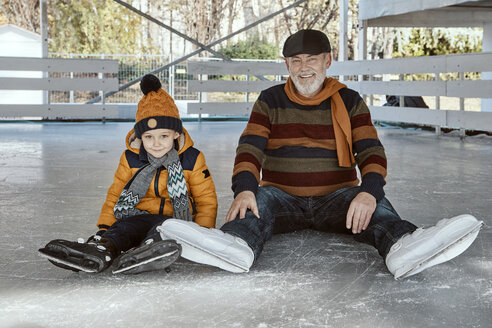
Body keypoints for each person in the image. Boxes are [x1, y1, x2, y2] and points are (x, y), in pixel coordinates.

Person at [159, 29, 483, 279]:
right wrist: (244, 188)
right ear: (287, 64)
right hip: (282, 195)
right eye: (296, 61)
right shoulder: (269, 100)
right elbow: (250, 147)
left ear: (327, 60)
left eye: (311, 59)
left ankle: (403, 245)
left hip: (338, 196)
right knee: (255, 203)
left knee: (377, 207)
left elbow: (371, 150)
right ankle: (236, 246)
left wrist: (369, 193)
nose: (303, 69)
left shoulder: (350, 99)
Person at [39, 74, 218, 274]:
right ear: (140, 137)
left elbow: (206, 200)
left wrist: (201, 234)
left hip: (174, 221)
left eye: (164, 136)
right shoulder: (131, 159)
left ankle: (148, 250)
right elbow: (115, 195)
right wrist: (105, 229)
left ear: (176, 134)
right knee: (123, 228)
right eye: (149, 137)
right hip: (137, 217)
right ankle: (102, 249)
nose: (156, 143)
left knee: (164, 230)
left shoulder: (192, 159)